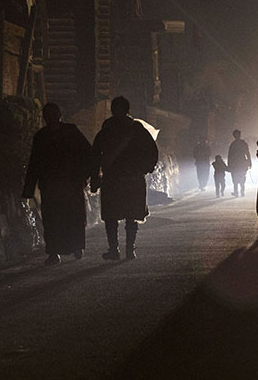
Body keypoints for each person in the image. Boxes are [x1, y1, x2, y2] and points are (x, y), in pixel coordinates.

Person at [22, 102, 92, 265]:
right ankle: (56, 251)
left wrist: (83, 176)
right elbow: (35, 162)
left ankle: (71, 247)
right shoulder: (42, 136)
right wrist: (29, 187)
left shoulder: (69, 132)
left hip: (68, 184)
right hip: (53, 185)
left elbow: (87, 153)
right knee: (54, 220)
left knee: (71, 218)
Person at [90, 96, 159, 261]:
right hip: (133, 178)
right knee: (131, 215)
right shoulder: (137, 130)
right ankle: (130, 249)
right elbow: (152, 152)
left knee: (112, 216)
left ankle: (114, 249)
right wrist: (144, 169)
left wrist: (95, 176)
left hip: (112, 178)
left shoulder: (106, 130)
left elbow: (95, 155)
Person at [227, 129, 251, 197]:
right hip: (242, 163)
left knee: (235, 178)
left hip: (235, 164)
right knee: (242, 177)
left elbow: (230, 155)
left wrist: (229, 165)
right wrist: (249, 162)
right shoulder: (243, 143)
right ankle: (242, 191)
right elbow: (247, 153)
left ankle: (236, 192)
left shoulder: (232, 144)